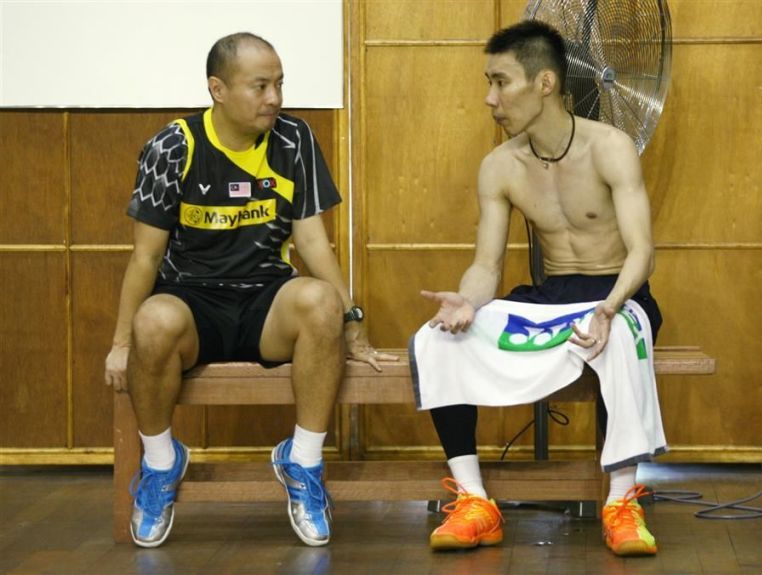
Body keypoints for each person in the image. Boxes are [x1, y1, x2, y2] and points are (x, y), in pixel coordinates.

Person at [104, 32, 393, 548]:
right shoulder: (173, 147)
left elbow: (313, 242)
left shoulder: (294, 139)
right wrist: (122, 342)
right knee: (153, 321)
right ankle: (161, 464)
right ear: (218, 89)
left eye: (279, 84)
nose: (275, 98)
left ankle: (302, 462)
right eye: (260, 86)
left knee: (321, 302)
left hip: (266, 302)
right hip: (193, 303)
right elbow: (146, 256)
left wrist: (353, 320)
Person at [418, 20, 664, 556]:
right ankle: (475, 501)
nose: (490, 98)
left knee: (618, 335)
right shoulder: (499, 166)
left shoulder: (610, 147)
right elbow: (487, 266)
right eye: (490, 82)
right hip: (553, 295)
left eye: (501, 82)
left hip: (618, 292)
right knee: (438, 337)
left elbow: (642, 251)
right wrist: (466, 301)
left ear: (545, 83)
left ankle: (622, 503)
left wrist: (610, 306)